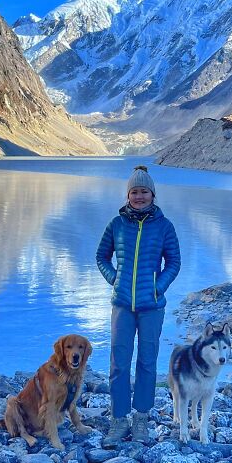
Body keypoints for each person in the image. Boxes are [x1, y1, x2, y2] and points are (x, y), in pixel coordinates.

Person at [96, 165, 181, 445]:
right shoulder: (116, 224)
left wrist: (159, 286)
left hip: (152, 307)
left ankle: (141, 419)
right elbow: (101, 256)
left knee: (146, 362)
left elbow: (174, 262)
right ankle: (119, 420)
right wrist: (115, 278)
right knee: (119, 364)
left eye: (144, 191)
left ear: (153, 194)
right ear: (128, 195)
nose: (139, 196)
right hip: (122, 305)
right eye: (134, 192)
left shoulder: (165, 226)